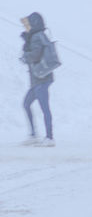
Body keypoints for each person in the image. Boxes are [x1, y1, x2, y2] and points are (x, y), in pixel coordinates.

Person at [19, 12, 57, 147]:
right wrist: (26, 41)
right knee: (26, 104)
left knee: (44, 107)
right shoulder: (39, 36)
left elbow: (35, 55)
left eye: (28, 24)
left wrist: (25, 55)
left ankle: (49, 137)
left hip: (41, 78)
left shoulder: (36, 37)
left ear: (34, 24)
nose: (26, 26)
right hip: (40, 78)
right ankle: (34, 135)